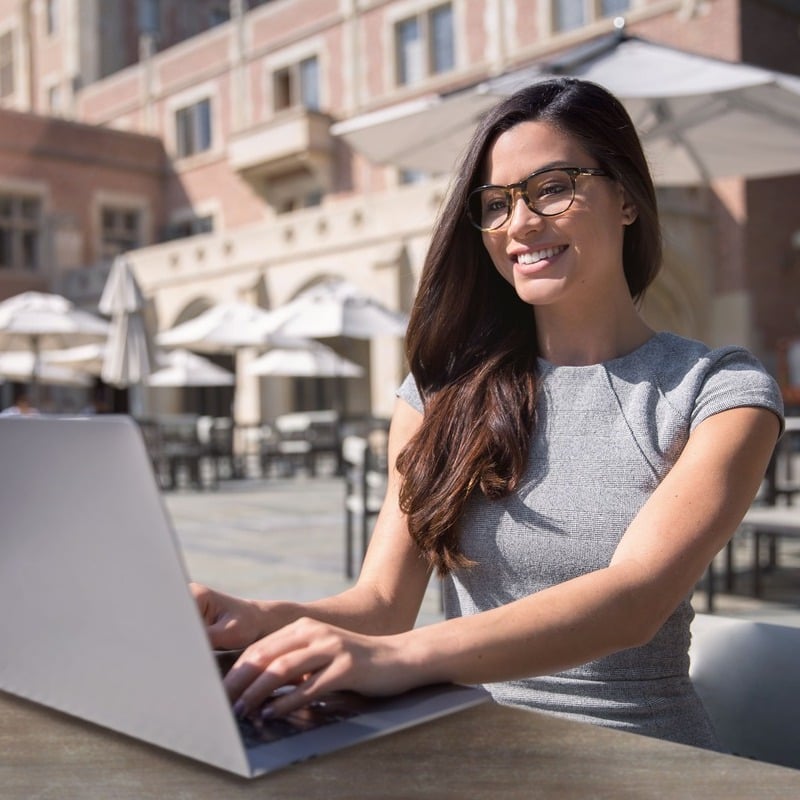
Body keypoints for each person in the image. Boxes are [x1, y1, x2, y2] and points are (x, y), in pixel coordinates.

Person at [192, 78, 783, 749]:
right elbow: (380, 607)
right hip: (467, 752)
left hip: (645, 755)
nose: (520, 224)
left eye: (553, 187)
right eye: (496, 204)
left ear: (625, 197)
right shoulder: (440, 395)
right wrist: (253, 616)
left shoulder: (718, 390)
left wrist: (398, 658)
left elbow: (634, 601)